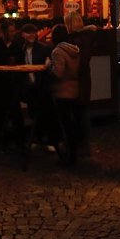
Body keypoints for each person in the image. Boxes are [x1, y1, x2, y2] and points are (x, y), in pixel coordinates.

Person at [64, 11, 96, 156]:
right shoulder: (87, 37)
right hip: (85, 77)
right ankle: (85, 143)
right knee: (83, 109)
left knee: (78, 111)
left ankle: (80, 143)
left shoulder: (72, 40)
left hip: (76, 78)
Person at [49, 24, 81, 164]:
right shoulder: (74, 50)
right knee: (72, 123)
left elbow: (58, 73)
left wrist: (48, 67)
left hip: (62, 91)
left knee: (64, 124)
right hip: (74, 88)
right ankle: (74, 152)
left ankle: (69, 155)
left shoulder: (58, 52)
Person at [20, 23, 53, 149]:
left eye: (33, 33)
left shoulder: (43, 48)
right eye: (28, 33)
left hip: (41, 86)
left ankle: (48, 140)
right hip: (29, 86)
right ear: (23, 35)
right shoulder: (21, 50)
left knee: (45, 113)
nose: (31, 35)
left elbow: (48, 66)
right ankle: (38, 138)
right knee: (33, 113)